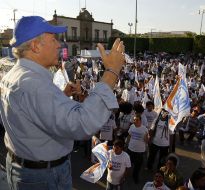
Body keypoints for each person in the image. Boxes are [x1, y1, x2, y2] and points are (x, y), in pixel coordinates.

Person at [0, 16, 125, 190]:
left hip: (26, 168)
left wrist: (61, 96)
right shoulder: (33, 84)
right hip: (44, 177)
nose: (59, 45)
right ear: (35, 46)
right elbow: (83, 123)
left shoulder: (16, 75)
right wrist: (112, 71)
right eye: (53, 39)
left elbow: (32, 112)